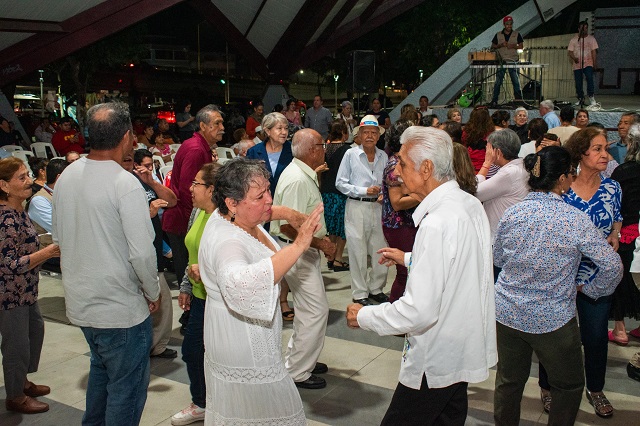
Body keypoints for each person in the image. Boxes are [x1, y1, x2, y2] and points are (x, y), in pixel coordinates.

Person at [346, 126, 497, 425]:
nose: (397, 171)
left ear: (426, 168)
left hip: (436, 355)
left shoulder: (437, 222)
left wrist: (364, 316)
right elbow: (462, 261)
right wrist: (410, 258)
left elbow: (418, 311)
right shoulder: (467, 203)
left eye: (402, 163)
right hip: (461, 344)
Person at [492, 146, 622, 425]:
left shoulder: (513, 213)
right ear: (563, 179)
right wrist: (591, 291)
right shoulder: (574, 220)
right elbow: (612, 266)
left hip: (508, 313)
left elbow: (498, 258)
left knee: (508, 382)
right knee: (568, 385)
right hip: (553, 318)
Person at [52, 102, 161, 425]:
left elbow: (59, 237)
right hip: (120, 309)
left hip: (82, 302)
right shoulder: (123, 182)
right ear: (127, 137)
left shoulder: (68, 174)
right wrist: (152, 290)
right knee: (126, 393)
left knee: (101, 377)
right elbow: (142, 252)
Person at [198, 158, 324, 425]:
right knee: (259, 409)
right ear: (232, 203)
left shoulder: (232, 215)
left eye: (268, 190)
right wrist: (299, 244)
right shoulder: (227, 241)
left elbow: (263, 211)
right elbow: (241, 283)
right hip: (240, 341)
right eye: (260, 195)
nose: (268, 199)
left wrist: (288, 213)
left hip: (245, 332)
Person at [538, 127, 623, 418]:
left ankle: (596, 388)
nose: (605, 155)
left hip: (597, 275)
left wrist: (616, 233)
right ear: (581, 152)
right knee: (555, 335)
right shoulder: (561, 187)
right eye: (598, 149)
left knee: (597, 335)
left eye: (605, 149)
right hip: (560, 274)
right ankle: (548, 386)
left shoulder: (613, 187)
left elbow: (618, 218)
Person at [272, 129, 336, 390]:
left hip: (299, 249)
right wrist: (322, 243)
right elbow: (288, 225)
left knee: (309, 309)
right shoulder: (298, 179)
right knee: (315, 310)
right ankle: (298, 370)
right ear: (312, 150)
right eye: (322, 145)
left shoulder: (302, 173)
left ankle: (302, 358)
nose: (324, 149)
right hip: (296, 250)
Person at [0, 157, 60, 415]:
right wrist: (47, 253)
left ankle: (21, 381)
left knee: (33, 333)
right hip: (9, 294)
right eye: (21, 178)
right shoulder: (5, 218)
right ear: (4, 185)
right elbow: (10, 263)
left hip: (26, 290)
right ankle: (15, 396)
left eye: (28, 175)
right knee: (16, 345)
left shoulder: (19, 211)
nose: (29, 182)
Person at [171, 163, 218, 426]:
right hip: (198, 296)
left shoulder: (223, 218)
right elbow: (191, 253)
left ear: (212, 190)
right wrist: (186, 287)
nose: (190, 188)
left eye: (196, 184)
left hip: (216, 299)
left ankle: (205, 402)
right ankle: (203, 400)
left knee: (203, 351)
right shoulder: (198, 212)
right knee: (192, 351)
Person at [163, 104, 224, 288]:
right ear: (203, 126)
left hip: (187, 219)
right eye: (217, 123)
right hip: (184, 221)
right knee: (190, 280)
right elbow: (188, 190)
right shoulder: (196, 149)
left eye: (222, 123)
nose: (222, 128)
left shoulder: (199, 147)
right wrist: (202, 220)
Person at [336, 115, 389, 306]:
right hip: (356, 205)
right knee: (357, 250)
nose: (369, 136)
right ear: (358, 135)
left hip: (378, 207)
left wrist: (385, 193)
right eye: (365, 132)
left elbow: (388, 181)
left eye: (373, 133)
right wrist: (363, 190)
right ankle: (359, 293)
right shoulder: (350, 155)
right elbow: (340, 183)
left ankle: (376, 288)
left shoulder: (383, 155)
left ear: (378, 135)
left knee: (379, 249)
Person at [131, 149, 178, 360]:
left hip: (156, 249)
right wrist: (147, 213)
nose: (149, 169)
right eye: (145, 165)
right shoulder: (128, 185)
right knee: (158, 301)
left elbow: (172, 201)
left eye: (151, 165)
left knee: (162, 303)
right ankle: (149, 347)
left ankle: (156, 346)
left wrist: (151, 180)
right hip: (141, 254)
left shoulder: (150, 181)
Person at [380, 121, 419, 303]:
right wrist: (424, 196)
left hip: (405, 223)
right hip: (398, 224)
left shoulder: (402, 162)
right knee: (405, 271)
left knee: (408, 271)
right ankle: (395, 311)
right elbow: (396, 203)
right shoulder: (394, 166)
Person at [609, 123, 640, 345]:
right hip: (633, 231)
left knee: (621, 280)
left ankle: (620, 329)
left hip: (628, 233)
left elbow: (615, 207)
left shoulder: (623, 172)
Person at [476, 129, 529, 242]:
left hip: (500, 237)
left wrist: (486, 164)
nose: (486, 153)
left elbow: (475, 192)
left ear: (498, 152)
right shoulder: (520, 165)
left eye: (488, 149)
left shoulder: (509, 173)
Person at [320, 121, 351, 272]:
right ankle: (338, 259)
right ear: (344, 133)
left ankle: (330, 258)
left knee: (331, 228)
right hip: (341, 193)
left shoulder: (325, 148)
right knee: (343, 228)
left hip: (326, 192)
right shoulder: (347, 150)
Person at [245, 112, 293, 196]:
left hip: (287, 198)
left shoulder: (293, 150)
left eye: (286, 128)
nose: (284, 132)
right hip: (262, 200)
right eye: (279, 128)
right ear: (268, 131)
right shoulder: (254, 152)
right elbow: (246, 179)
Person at [489, 16, 523, 106]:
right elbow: (493, 46)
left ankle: (518, 101)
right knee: (498, 81)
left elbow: (521, 46)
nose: (509, 25)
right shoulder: (498, 34)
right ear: (504, 25)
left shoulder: (517, 34)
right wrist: (500, 45)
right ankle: (494, 100)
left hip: (513, 60)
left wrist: (512, 46)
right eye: (507, 24)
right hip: (502, 61)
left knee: (515, 81)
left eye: (511, 24)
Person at [568, 20, 599, 106]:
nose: (584, 30)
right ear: (578, 29)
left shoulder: (591, 39)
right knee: (578, 83)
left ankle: (591, 96)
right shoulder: (574, 40)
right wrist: (574, 58)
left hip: (588, 63)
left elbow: (594, 51)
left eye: (586, 28)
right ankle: (580, 98)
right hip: (577, 65)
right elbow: (570, 52)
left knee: (589, 78)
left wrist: (595, 63)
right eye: (582, 28)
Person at [462, 106, 494, 172]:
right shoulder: (492, 133)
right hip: (486, 167)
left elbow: (464, 146)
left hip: (469, 166)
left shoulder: (466, 132)